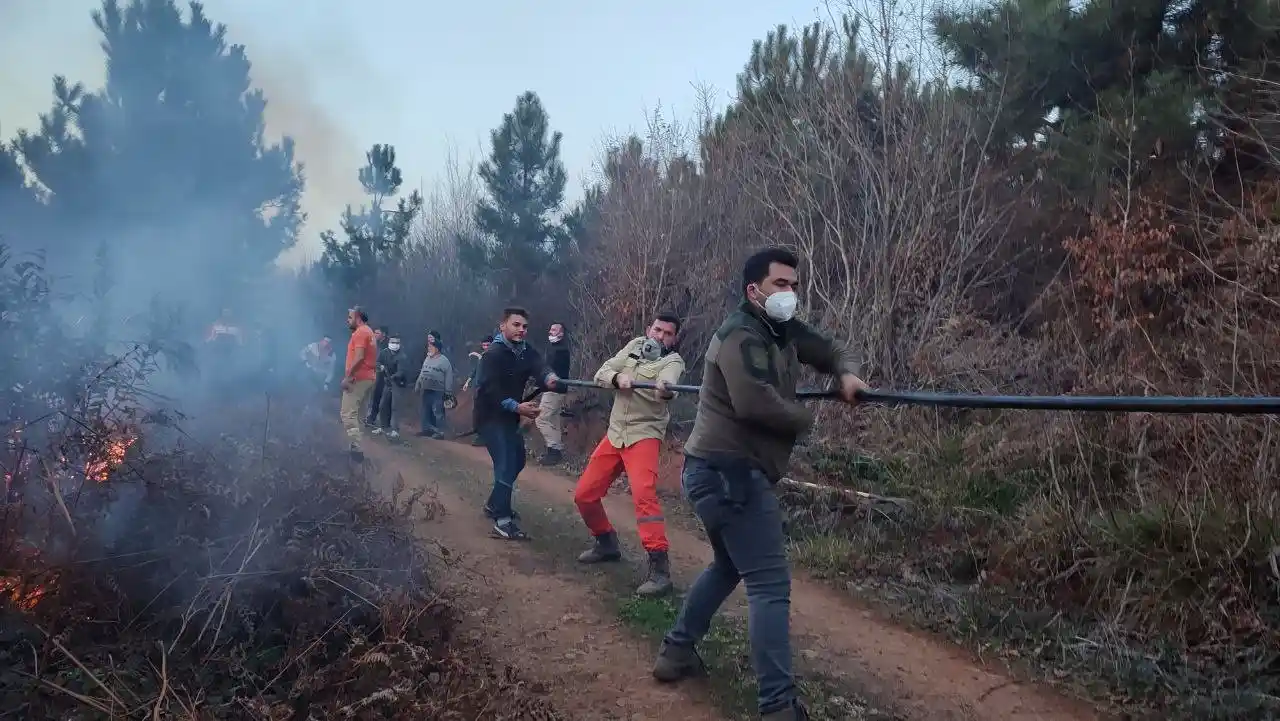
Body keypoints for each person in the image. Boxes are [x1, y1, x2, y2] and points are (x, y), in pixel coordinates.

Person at [651, 248, 869, 721]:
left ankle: (675, 652)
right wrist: (808, 418)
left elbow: (828, 347)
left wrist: (846, 374)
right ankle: (778, 706)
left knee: (729, 565)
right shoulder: (738, 334)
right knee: (770, 586)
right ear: (755, 290)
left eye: (794, 284)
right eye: (781, 285)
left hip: (718, 474)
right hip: (728, 474)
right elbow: (755, 404)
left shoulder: (781, 327)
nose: (791, 294)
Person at [573, 313, 685, 597]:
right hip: (615, 434)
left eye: (667, 333)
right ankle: (606, 542)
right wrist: (617, 377)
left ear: (674, 338)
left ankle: (660, 569)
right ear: (649, 329)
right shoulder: (634, 346)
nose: (660, 336)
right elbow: (601, 373)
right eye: (657, 329)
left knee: (643, 496)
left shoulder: (672, 361)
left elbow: (668, 385)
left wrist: (665, 390)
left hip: (644, 435)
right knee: (584, 494)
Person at [473, 308, 559, 540]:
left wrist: (549, 377)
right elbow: (490, 390)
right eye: (516, 325)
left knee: (518, 460)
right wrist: (517, 407)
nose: (522, 330)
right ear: (503, 326)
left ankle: (494, 505)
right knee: (506, 461)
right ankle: (503, 521)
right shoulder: (493, 354)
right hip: (489, 417)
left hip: (509, 417)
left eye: (525, 326)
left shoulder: (525, 351)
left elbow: (540, 365)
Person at [339, 307, 379, 460]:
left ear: (358, 318)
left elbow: (360, 356)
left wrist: (348, 376)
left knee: (347, 413)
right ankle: (356, 447)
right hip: (368, 378)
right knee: (358, 414)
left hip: (359, 378)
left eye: (350, 317)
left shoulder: (361, 333)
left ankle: (356, 450)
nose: (347, 320)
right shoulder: (369, 332)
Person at [535, 322, 572, 465]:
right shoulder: (555, 348)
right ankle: (555, 452)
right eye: (550, 329)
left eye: (555, 330)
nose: (551, 331)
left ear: (561, 334)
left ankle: (554, 450)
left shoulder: (560, 350)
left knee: (541, 419)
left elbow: (552, 370)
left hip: (555, 390)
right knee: (554, 420)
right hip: (556, 390)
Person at [414, 330, 455, 439]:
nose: (429, 348)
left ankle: (440, 432)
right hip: (426, 388)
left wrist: (448, 392)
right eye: (429, 347)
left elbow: (449, 377)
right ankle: (427, 429)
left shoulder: (444, 361)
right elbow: (422, 372)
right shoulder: (427, 358)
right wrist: (418, 384)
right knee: (425, 410)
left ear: (437, 348)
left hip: (438, 390)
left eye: (431, 347)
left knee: (438, 412)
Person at [372, 333, 410, 438]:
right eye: (393, 342)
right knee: (383, 405)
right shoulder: (384, 353)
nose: (395, 344)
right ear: (389, 342)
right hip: (388, 383)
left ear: (400, 344)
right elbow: (377, 362)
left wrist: (391, 377)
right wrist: (381, 367)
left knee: (395, 407)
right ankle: (383, 427)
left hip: (398, 384)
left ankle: (395, 430)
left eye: (397, 342)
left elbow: (401, 372)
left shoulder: (402, 356)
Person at [463, 335, 493, 446]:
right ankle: (480, 434)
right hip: (478, 389)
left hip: (488, 390)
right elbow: (476, 371)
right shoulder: (483, 357)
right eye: (484, 345)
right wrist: (468, 382)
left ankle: (484, 437)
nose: (485, 347)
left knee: (485, 413)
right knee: (477, 412)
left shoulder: (494, 357)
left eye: (488, 345)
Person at [363, 326, 390, 427]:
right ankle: (371, 417)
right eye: (374, 333)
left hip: (385, 374)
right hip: (375, 372)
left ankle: (385, 421)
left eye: (377, 333)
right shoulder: (375, 343)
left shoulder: (388, 345)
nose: (375, 335)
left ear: (384, 334)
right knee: (374, 396)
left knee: (383, 398)